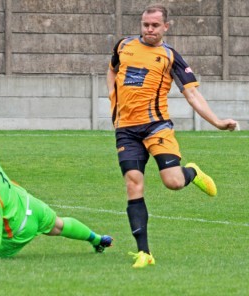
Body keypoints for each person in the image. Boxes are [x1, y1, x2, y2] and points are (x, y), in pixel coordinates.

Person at [106, 4, 238, 268]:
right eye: (146, 25)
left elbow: (191, 93)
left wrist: (217, 121)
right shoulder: (123, 46)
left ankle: (193, 173)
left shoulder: (170, 56)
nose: (149, 29)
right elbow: (111, 69)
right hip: (126, 131)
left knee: (173, 182)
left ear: (166, 27)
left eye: (155, 25)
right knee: (133, 184)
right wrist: (113, 100)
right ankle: (144, 252)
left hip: (157, 127)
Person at [0, 80, 113, 265]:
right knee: (59, 225)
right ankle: (98, 240)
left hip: (19, 230)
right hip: (27, 203)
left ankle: (96, 240)